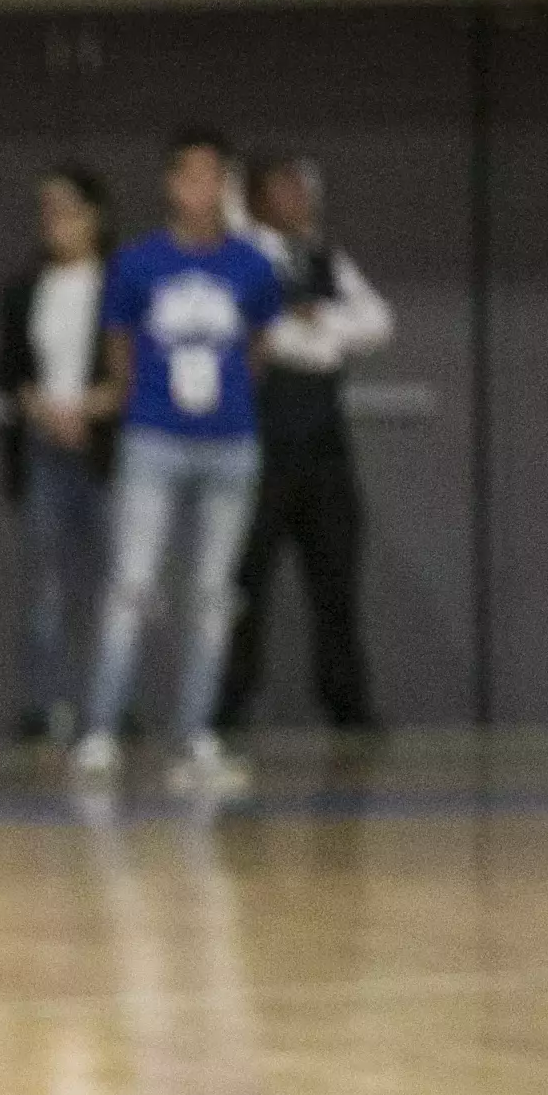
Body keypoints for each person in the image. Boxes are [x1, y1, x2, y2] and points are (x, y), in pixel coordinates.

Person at [71, 127, 284, 794]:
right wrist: (142, 401)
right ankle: (101, 731)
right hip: (155, 436)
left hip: (230, 440)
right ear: (169, 183)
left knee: (213, 595)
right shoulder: (137, 264)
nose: (200, 190)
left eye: (212, 176)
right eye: (188, 176)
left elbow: (259, 345)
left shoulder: (252, 265)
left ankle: (193, 736)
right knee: (132, 584)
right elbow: (118, 348)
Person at [217, 155, 393, 734]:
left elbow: (377, 321)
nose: (299, 198)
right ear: (256, 197)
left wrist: (320, 325)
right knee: (247, 583)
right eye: (284, 188)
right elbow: (255, 334)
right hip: (263, 442)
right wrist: (303, 335)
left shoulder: (323, 258)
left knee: (336, 580)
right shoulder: (242, 257)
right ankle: (228, 707)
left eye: (303, 188)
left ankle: (348, 704)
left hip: (324, 444)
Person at [0, 166, 118, 745]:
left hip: (103, 443)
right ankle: (45, 704)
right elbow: (9, 367)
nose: (56, 223)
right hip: (45, 439)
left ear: (95, 216)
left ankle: (110, 704)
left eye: (68, 209)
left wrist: (94, 407)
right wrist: (43, 408)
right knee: (45, 581)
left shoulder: (116, 281)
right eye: (47, 210)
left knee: (113, 579)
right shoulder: (25, 287)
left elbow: (129, 367)